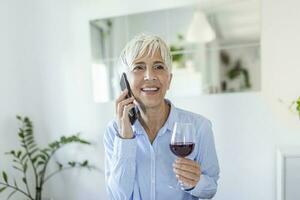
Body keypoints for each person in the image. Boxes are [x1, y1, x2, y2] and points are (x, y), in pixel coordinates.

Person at [103, 33, 220, 200]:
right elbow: (117, 196)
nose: (150, 75)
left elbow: (211, 189)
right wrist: (125, 138)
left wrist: (196, 182)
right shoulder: (114, 131)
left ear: (169, 79)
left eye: (158, 66)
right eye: (139, 67)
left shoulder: (200, 127)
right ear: (126, 81)